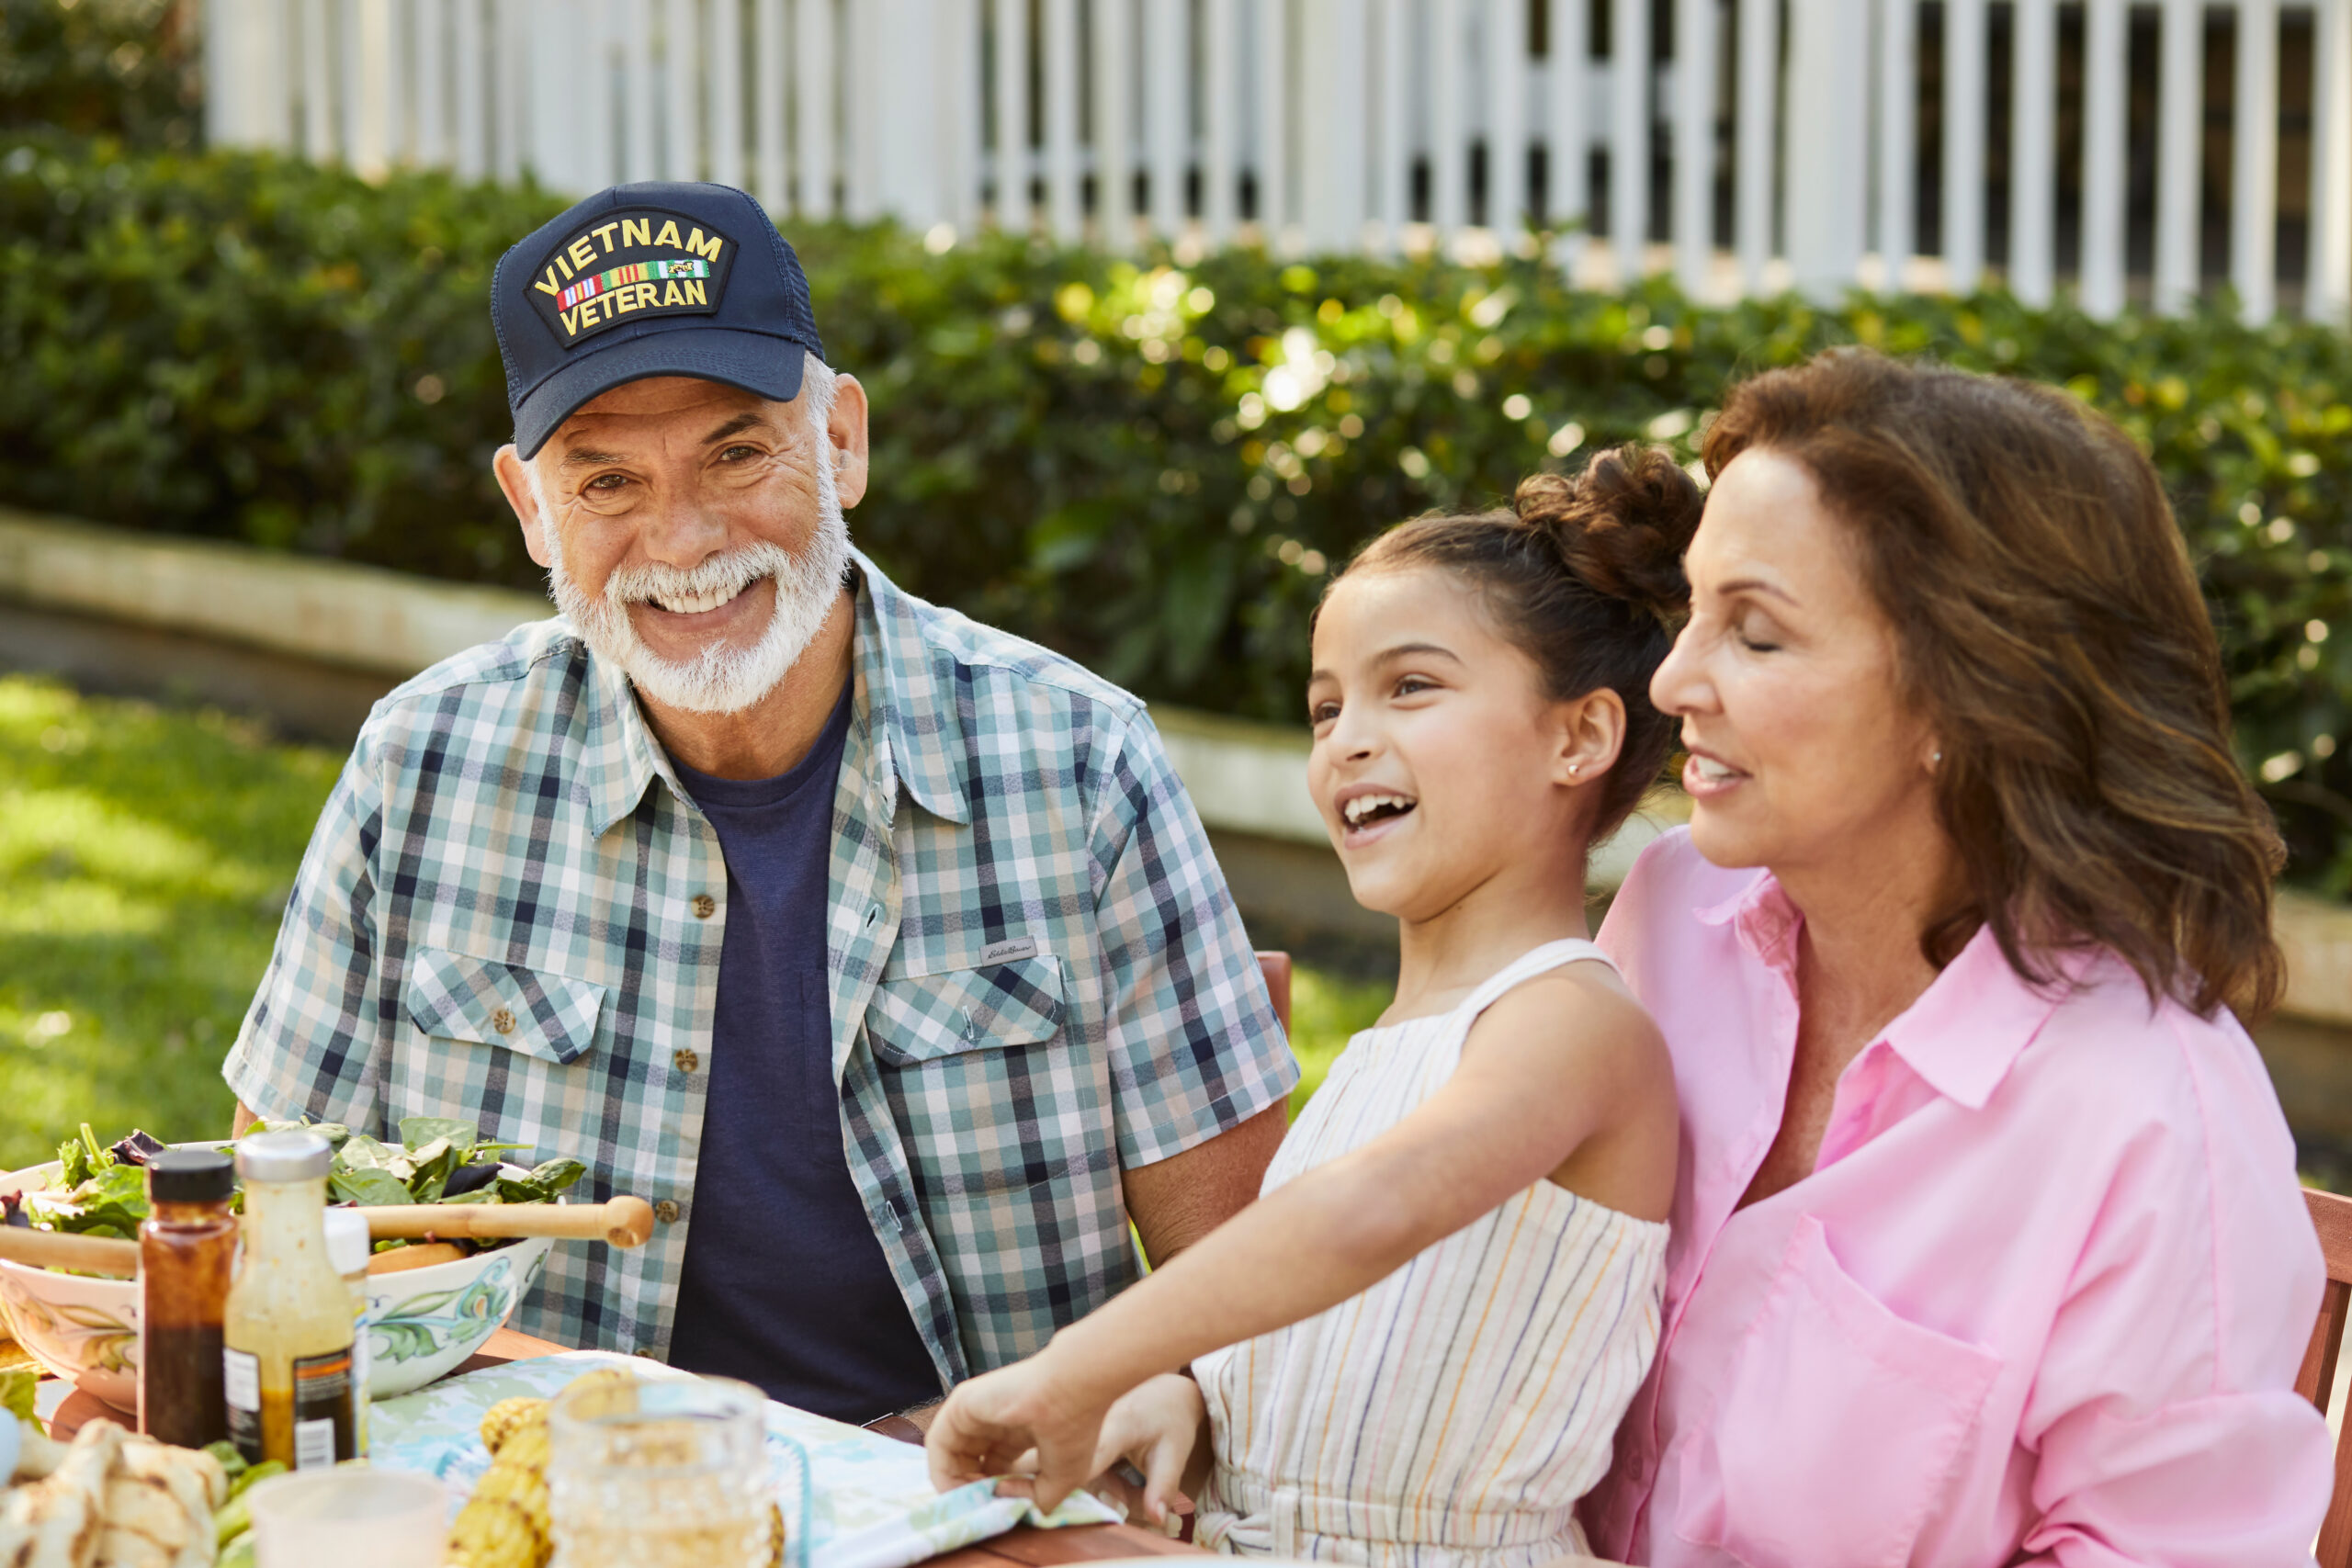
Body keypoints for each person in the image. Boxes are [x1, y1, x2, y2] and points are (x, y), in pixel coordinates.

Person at [220, 181, 1298, 1428]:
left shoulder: (1074, 757)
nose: (681, 542)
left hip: (960, 1499)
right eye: (607, 481)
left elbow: (1248, 1294)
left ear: (840, 439)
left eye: (736, 452)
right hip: (534, 1494)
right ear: (531, 508)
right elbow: (273, 1216)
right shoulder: (422, 759)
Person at [1583, 349, 2331, 1567]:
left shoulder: (2151, 1118)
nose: (1674, 681)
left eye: (1756, 634)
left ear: (1961, 698)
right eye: (1695, 610)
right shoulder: (1673, 911)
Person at [926, 447, 1693, 1568]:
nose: (1348, 738)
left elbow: (1364, 1216)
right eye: (1326, 707)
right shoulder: (1396, 1044)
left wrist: (1070, 1370)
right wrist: (1194, 1413)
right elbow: (1345, 1344)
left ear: (1578, 737)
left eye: (1411, 686)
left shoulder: (1570, 1025)